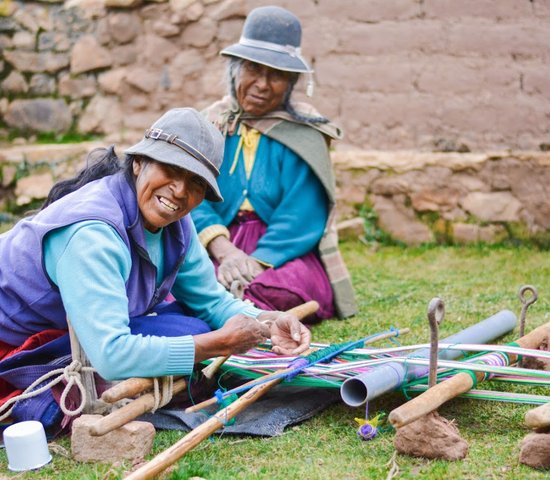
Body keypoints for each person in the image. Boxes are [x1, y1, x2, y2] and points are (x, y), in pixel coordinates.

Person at [0, 108, 310, 429]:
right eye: (171, 169)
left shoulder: (177, 224)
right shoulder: (92, 234)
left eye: (196, 182)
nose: (179, 191)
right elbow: (112, 356)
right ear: (138, 163)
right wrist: (221, 343)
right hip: (15, 341)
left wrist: (266, 321)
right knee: (193, 337)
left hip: (74, 328)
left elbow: (211, 301)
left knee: (187, 329)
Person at [193, 5, 357, 321]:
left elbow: (301, 213)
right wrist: (224, 251)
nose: (263, 84)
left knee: (282, 289)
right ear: (234, 70)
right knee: (188, 282)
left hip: (279, 252)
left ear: (291, 82)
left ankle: (234, 310)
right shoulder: (209, 125)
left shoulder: (304, 133)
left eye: (277, 75)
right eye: (253, 69)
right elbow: (191, 197)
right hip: (216, 242)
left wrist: (256, 263)